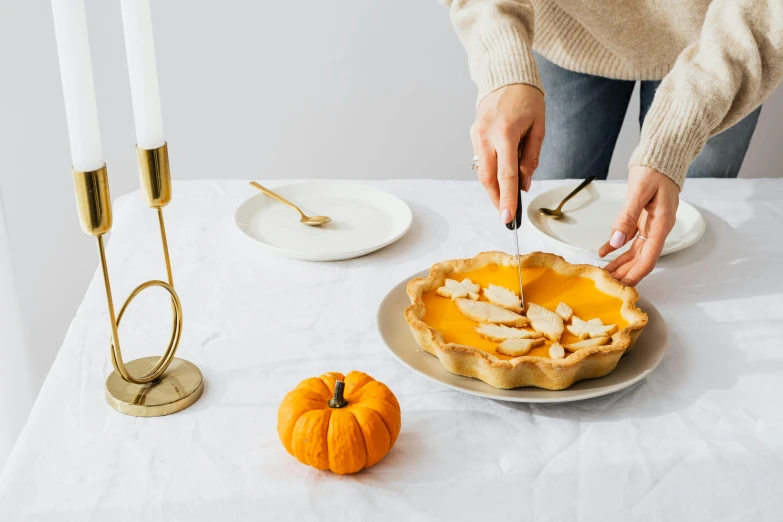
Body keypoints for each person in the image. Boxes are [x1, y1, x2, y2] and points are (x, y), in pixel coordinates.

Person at [445, 0, 782, 285]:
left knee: (694, 239)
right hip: (566, 26)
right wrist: (502, 65)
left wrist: (677, 135)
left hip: (725, 41)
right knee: (549, 208)